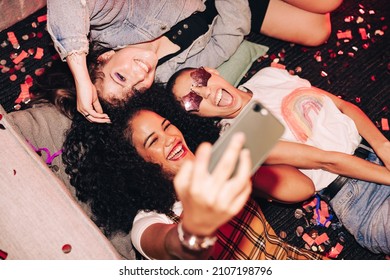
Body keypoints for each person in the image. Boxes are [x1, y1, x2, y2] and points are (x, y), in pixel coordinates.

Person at [62, 91, 323, 260]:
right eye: (154, 141)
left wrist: (243, 171)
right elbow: (173, 246)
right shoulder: (148, 222)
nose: (171, 138)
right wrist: (198, 222)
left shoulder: (214, 166)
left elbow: (303, 187)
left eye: (167, 126)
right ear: (134, 165)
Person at [166, 65, 390, 254]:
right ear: (196, 116)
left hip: (375, 152)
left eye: (201, 80)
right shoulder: (240, 138)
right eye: (193, 101)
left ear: (211, 70)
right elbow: (326, 160)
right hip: (359, 199)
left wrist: (383, 146)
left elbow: (341, 105)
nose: (206, 93)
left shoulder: (268, 76)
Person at [46, 0, 342, 123]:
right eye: (136, 89)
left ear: (106, 57)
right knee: (320, 30)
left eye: (120, 77)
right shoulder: (167, 76)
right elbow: (224, 42)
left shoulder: (113, 24)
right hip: (232, 5)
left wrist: (81, 76)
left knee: (328, 2)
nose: (140, 74)